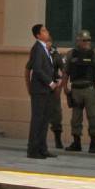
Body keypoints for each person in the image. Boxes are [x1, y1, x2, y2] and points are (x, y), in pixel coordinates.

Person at [64, 30, 95, 153]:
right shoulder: (71, 54)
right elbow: (66, 72)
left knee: (94, 118)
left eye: (89, 40)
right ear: (78, 41)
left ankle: (93, 144)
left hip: (90, 90)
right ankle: (76, 143)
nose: (87, 42)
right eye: (84, 40)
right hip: (75, 90)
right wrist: (65, 87)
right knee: (75, 118)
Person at [26, 23, 59, 159]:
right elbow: (37, 69)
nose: (47, 32)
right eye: (44, 30)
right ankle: (33, 150)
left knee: (45, 120)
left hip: (46, 91)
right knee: (38, 120)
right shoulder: (37, 48)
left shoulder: (45, 48)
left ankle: (42, 148)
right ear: (38, 35)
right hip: (40, 90)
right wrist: (50, 82)